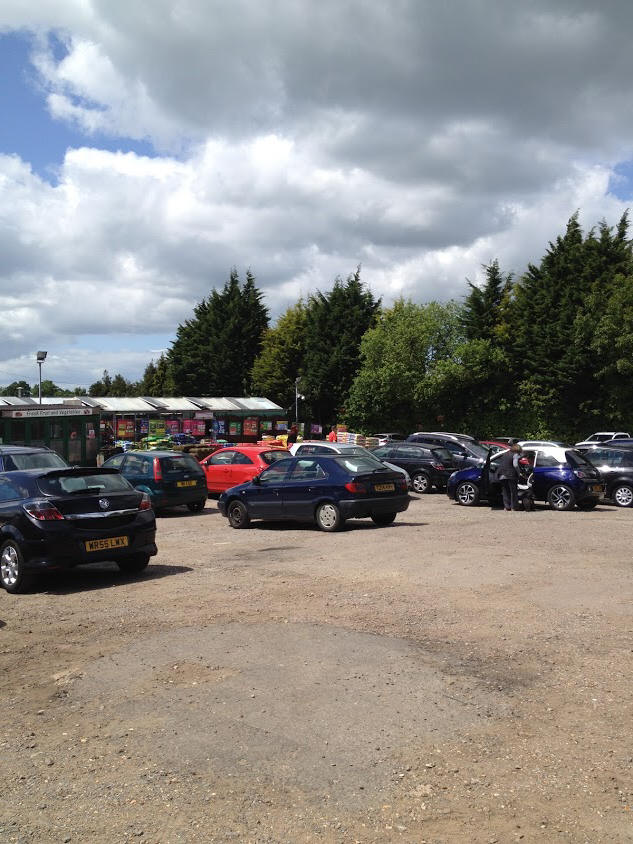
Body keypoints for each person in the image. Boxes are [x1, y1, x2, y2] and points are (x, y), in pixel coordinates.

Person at [496, 442, 522, 511]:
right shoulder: (515, 454)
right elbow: (515, 465)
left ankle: (507, 507)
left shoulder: (505, 454)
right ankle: (514, 507)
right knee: (513, 492)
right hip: (511, 475)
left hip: (502, 475)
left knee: (505, 492)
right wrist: (519, 473)